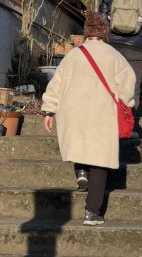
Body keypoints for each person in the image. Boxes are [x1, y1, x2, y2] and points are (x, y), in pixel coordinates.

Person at [41, 12, 135, 226]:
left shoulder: (72, 55)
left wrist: (49, 110)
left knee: (79, 143)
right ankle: (92, 212)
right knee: (100, 162)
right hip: (102, 113)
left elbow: (56, 84)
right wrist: (125, 104)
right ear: (105, 32)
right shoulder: (114, 56)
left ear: (86, 33)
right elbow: (128, 85)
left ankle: (80, 170)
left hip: (72, 112)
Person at [99, 0, 142, 126]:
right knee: (134, 87)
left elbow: (102, 21)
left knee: (113, 86)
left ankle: (111, 124)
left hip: (113, 47)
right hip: (137, 48)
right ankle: (129, 125)